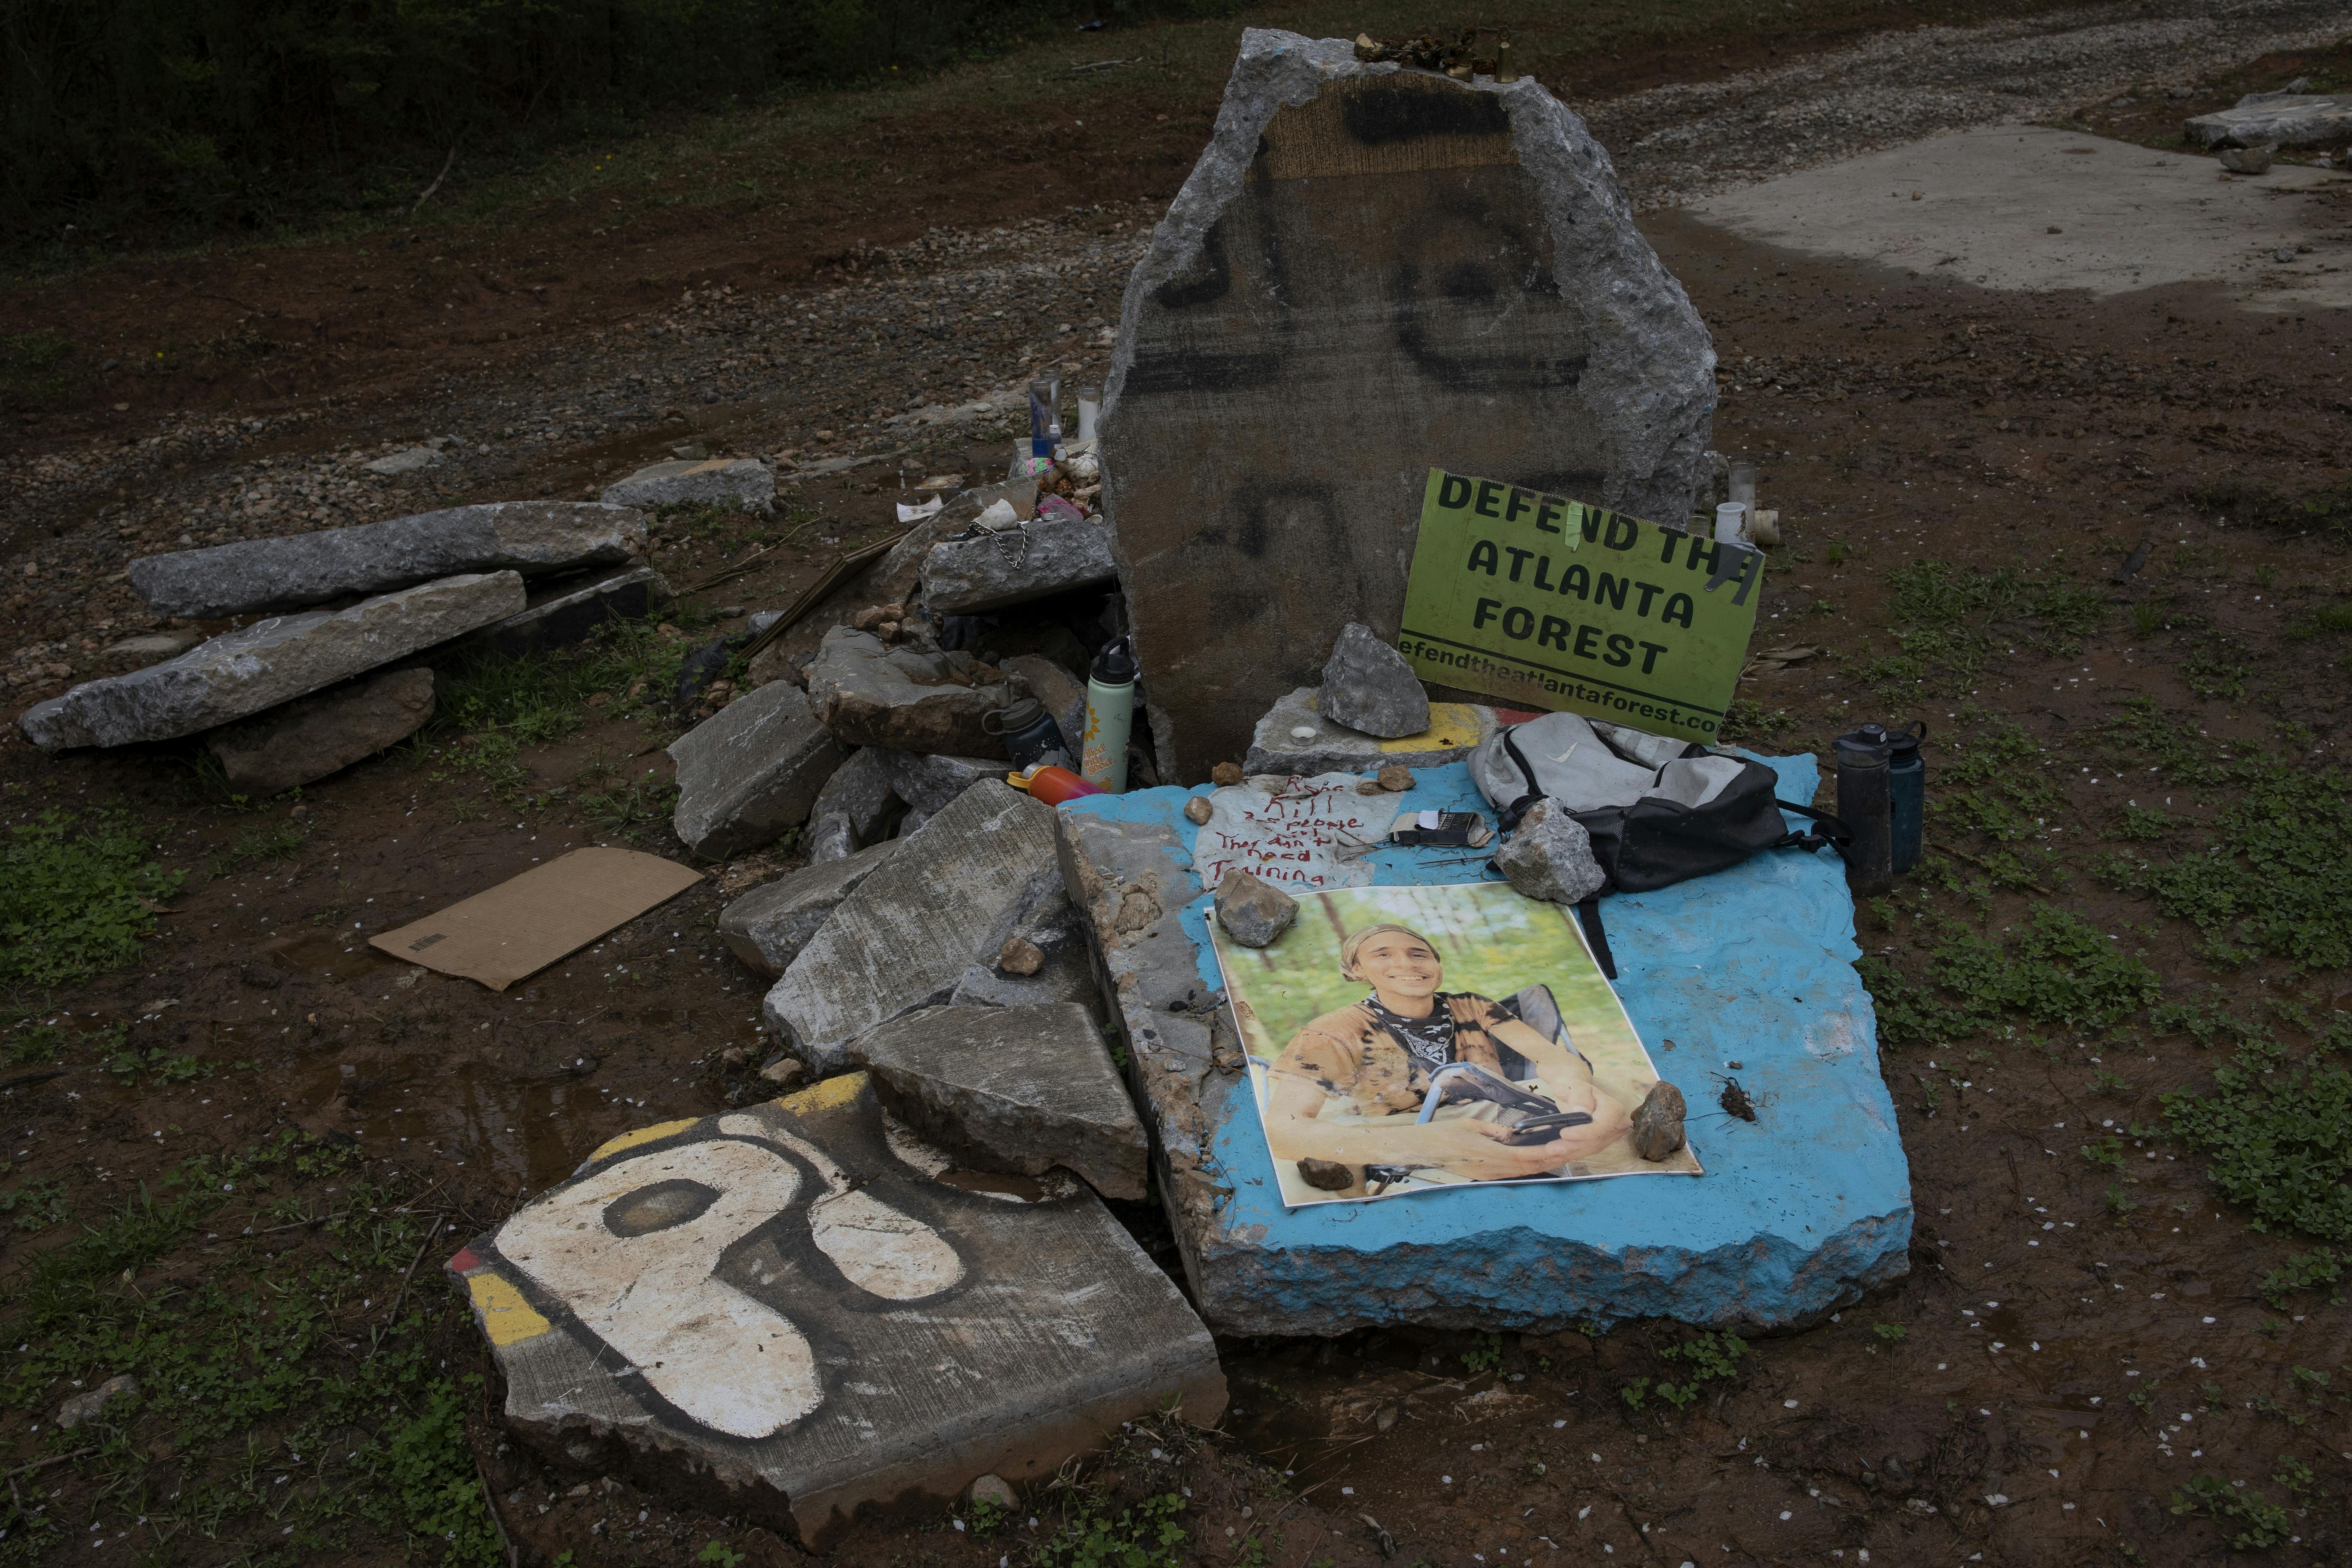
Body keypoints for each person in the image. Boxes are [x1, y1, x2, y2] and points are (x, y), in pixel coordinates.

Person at [1263, 922, 1649, 1185]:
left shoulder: (1471, 1006)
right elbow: (1284, 1129)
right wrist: (1425, 1145)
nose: (1406, 964)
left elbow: (1548, 1055)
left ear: (1436, 965)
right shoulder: (1333, 1031)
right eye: (1382, 955)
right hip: (1411, 1131)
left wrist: (1575, 1089)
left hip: (1505, 1115)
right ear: (1356, 969)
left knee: (1606, 1099)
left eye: (1419, 954)